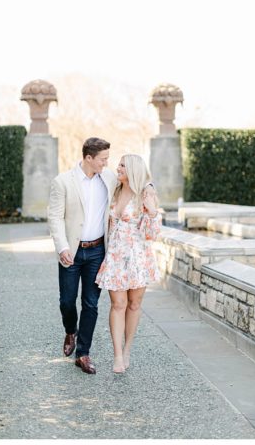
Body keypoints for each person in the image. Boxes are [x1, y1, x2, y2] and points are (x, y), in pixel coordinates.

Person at [47, 137, 118, 375]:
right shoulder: (63, 182)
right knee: (67, 301)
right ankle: (70, 330)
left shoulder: (108, 178)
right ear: (89, 158)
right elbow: (55, 217)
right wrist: (62, 247)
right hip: (72, 250)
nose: (106, 164)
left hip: (98, 250)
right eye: (103, 159)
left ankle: (83, 353)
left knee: (91, 303)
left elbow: (135, 184)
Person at [95, 154, 161, 374]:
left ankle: (128, 350)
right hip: (115, 257)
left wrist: (152, 212)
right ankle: (117, 355)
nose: (118, 167)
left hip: (138, 258)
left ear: (132, 169)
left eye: (122, 165)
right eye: (119, 164)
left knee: (134, 305)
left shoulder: (145, 192)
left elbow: (152, 235)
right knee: (118, 304)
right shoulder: (114, 189)